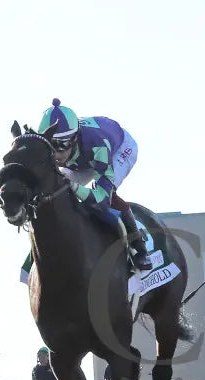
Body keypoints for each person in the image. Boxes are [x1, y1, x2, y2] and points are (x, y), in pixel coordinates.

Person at [38, 99, 153, 271]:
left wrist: (76, 188)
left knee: (106, 195)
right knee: (58, 192)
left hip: (118, 148)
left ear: (75, 138)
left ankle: (139, 248)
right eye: (50, 146)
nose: (56, 154)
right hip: (81, 159)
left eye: (62, 145)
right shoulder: (57, 149)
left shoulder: (97, 144)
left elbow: (102, 197)